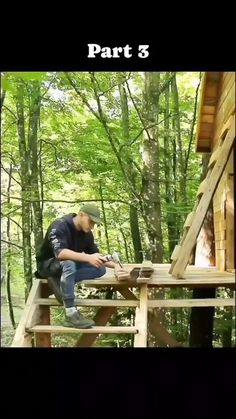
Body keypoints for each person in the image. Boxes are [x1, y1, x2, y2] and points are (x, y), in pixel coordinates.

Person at [35, 204, 131, 329]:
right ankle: (71, 314)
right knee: (69, 263)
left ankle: (58, 280)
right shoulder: (59, 225)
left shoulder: (87, 234)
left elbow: (96, 256)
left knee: (99, 268)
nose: (92, 226)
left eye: (94, 224)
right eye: (90, 221)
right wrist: (88, 258)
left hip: (68, 266)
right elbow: (60, 253)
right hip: (48, 265)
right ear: (81, 215)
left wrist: (116, 266)